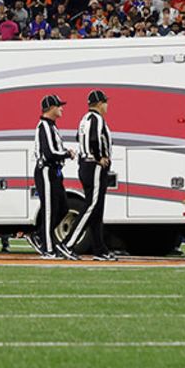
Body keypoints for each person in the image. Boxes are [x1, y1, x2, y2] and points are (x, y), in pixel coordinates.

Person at [63, 89, 115, 261]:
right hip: (94, 165)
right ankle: (68, 243)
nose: (107, 106)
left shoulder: (84, 119)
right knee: (91, 206)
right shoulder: (97, 119)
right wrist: (100, 157)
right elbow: (94, 139)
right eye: (105, 102)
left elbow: (79, 137)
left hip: (85, 164)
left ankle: (99, 249)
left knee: (96, 209)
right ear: (100, 103)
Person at [33, 94, 78, 260]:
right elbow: (49, 153)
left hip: (55, 173)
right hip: (46, 171)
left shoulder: (52, 126)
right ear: (51, 108)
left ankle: (40, 236)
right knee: (50, 209)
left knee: (63, 207)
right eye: (59, 106)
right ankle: (48, 249)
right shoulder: (44, 126)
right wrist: (67, 153)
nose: (61, 109)